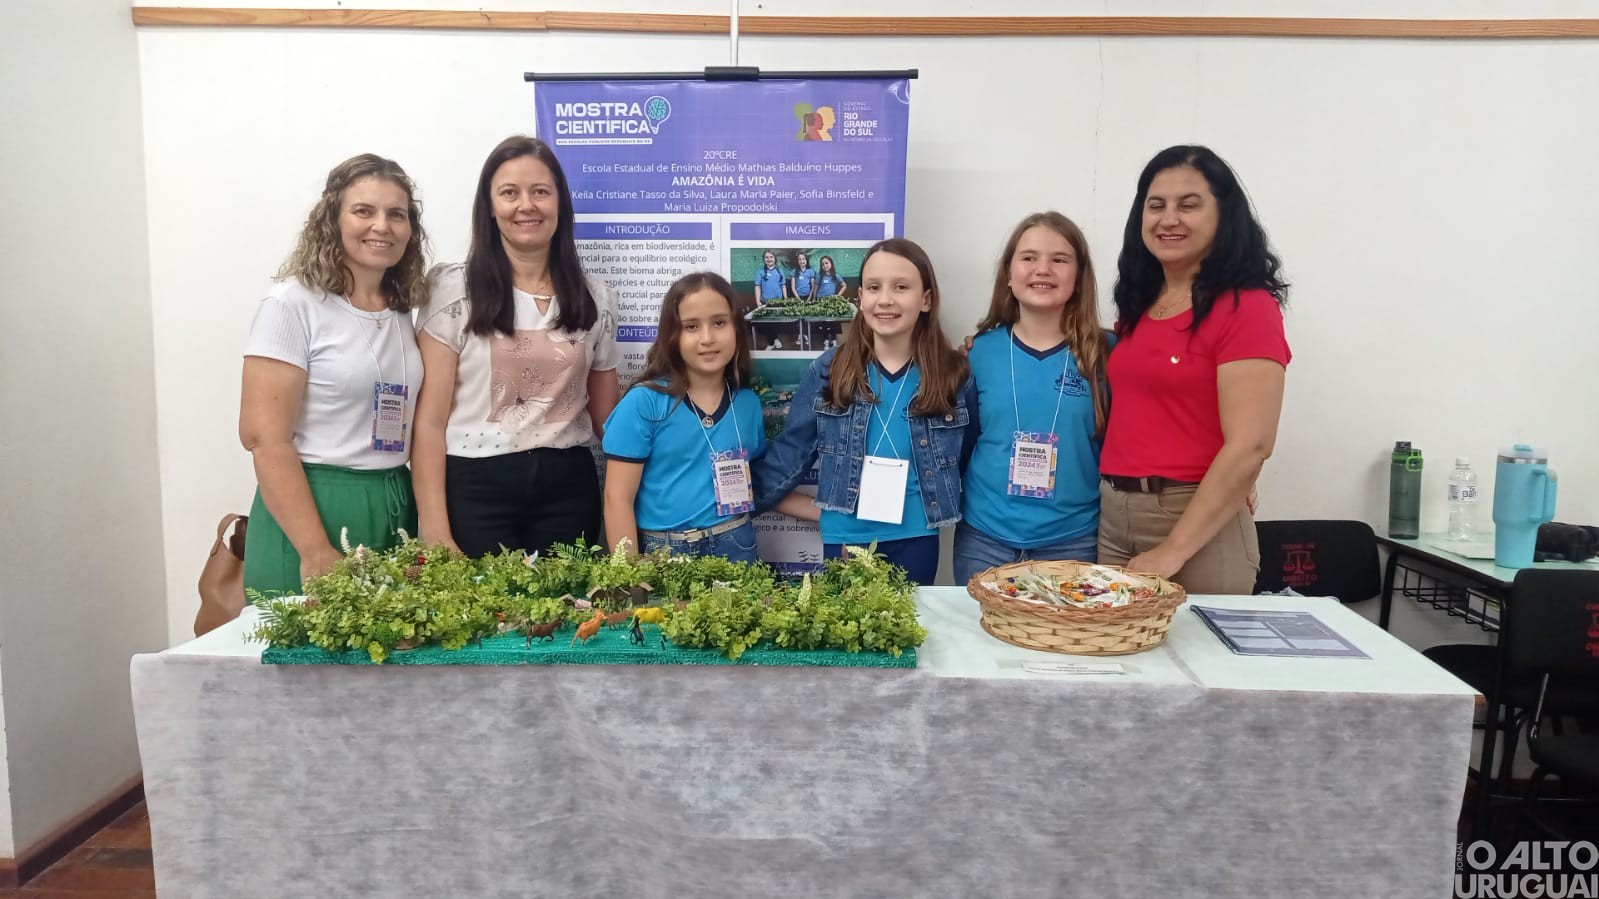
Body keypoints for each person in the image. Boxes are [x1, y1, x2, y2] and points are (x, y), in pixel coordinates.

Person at [412, 136, 620, 558]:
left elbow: (607, 422)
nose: (526, 205)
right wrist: (433, 526)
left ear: (559, 203)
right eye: (509, 193)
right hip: (474, 486)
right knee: (483, 620)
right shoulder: (451, 289)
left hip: (568, 488)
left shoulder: (595, 297)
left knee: (564, 616)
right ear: (490, 207)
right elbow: (429, 424)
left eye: (540, 192)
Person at [1097, 145, 1290, 595]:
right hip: (1113, 515)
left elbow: (1252, 444)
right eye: (1156, 205)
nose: (1169, 219)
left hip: (1194, 525)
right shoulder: (1141, 307)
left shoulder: (1247, 307)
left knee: (1199, 663)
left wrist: (1174, 550)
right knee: (1119, 662)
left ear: (1224, 215)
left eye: (1189, 205)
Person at [239, 154, 429, 596]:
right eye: (364, 211)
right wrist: (315, 550)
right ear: (332, 220)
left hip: (394, 500)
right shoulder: (291, 304)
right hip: (316, 505)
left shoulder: (400, 309)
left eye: (396, 215)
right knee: (310, 660)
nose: (381, 226)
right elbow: (264, 438)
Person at [754, 238, 976, 585]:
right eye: (874, 287)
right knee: (851, 636)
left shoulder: (951, 373)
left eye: (901, 287)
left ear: (926, 299)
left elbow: (966, 458)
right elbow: (790, 454)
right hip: (845, 539)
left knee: (908, 632)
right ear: (860, 299)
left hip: (917, 538)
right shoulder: (830, 370)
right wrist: (745, 494)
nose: (885, 299)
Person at [954, 212, 1111, 586]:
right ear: (1009, 275)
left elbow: (1142, 438)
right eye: (1028, 258)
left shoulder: (1106, 355)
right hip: (984, 541)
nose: (1043, 269)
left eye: (1059, 259)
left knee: (1064, 645)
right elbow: (958, 446)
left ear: (1079, 277)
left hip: (1073, 544)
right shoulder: (977, 355)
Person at [602, 272, 765, 562]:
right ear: (672, 335)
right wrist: (629, 574)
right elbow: (618, 500)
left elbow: (762, 480)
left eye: (719, 322)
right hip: (665, 551)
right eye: (691, 326)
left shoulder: (748, 404)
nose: (707, 338)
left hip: (737, 543)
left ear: (737, 329)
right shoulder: (645, 403)